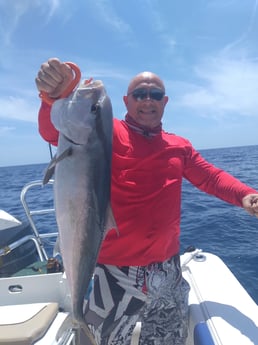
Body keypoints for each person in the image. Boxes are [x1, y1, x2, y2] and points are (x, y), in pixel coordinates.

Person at [35, 58, 258, 345]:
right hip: (115, 273)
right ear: (127, 101)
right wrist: (55, 94)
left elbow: (211, 178)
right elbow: (56, 131)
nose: (147, 100)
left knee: (168, 340)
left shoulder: (179, 146)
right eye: (140, 94)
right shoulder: (107, 133)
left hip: (167, 271)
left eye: (155, 95)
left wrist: (245, 195)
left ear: (165, 102)